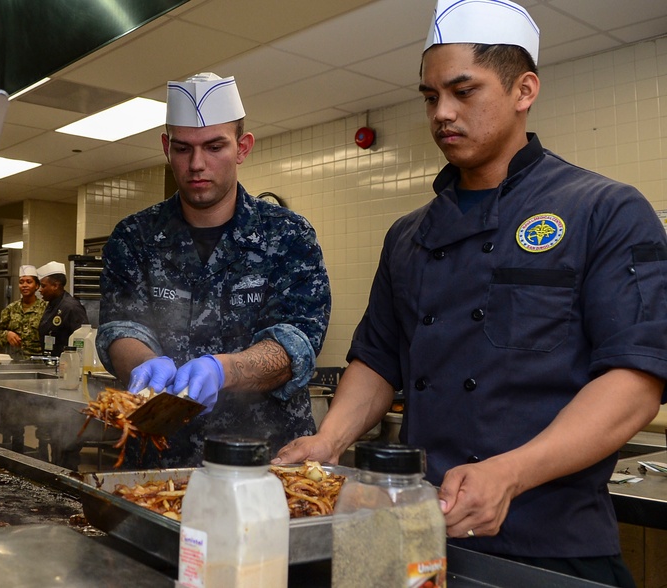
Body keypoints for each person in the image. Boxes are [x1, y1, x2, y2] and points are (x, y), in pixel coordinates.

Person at [275, 1, 667, 585]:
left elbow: (635, 380)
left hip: (551, 542)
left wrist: (509, 473)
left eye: (464, 91)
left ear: (523, 89)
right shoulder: (409, 234)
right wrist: (327, 440)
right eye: (431, 97)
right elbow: (379, 359)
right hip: (414, 530)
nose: (443, 113)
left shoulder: (603, 209)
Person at [95, 72, 331, 469]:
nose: (197, 164)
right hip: (159, 458)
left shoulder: (288, 235)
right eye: (184, 149)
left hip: (265, 460)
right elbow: (121, 328)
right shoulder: (133, 237)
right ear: (167, 148)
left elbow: (297, 343)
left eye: (214, 146)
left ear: (242, 148)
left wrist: (225, 371)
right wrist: (141, 363)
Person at [0, 264, 47, 361]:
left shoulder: (45, 308)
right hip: (14, 360)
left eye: (29, 282)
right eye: (21, 282)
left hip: (38, 361)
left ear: (37, 286)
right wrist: (7, 334)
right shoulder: (10, 309)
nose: (24, 285)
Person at [36, 261, 87, 357]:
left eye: (43, 286)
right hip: (50, 361)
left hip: (66, 363)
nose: (40, 290)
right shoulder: (52, 304)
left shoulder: (71, 307)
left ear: (55, 286)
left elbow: (81, 340)